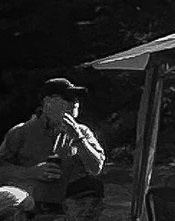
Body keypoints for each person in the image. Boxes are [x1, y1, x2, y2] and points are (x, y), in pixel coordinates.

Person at [1, 78, 107, 212]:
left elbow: (96, 168)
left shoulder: (82, 132)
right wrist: (31, 172)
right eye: (68, 98)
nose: (75, 102)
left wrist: (78, 139)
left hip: (69, 212)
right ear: (47, 102)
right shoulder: (21, 132)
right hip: (28, 211)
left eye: (76, 98)